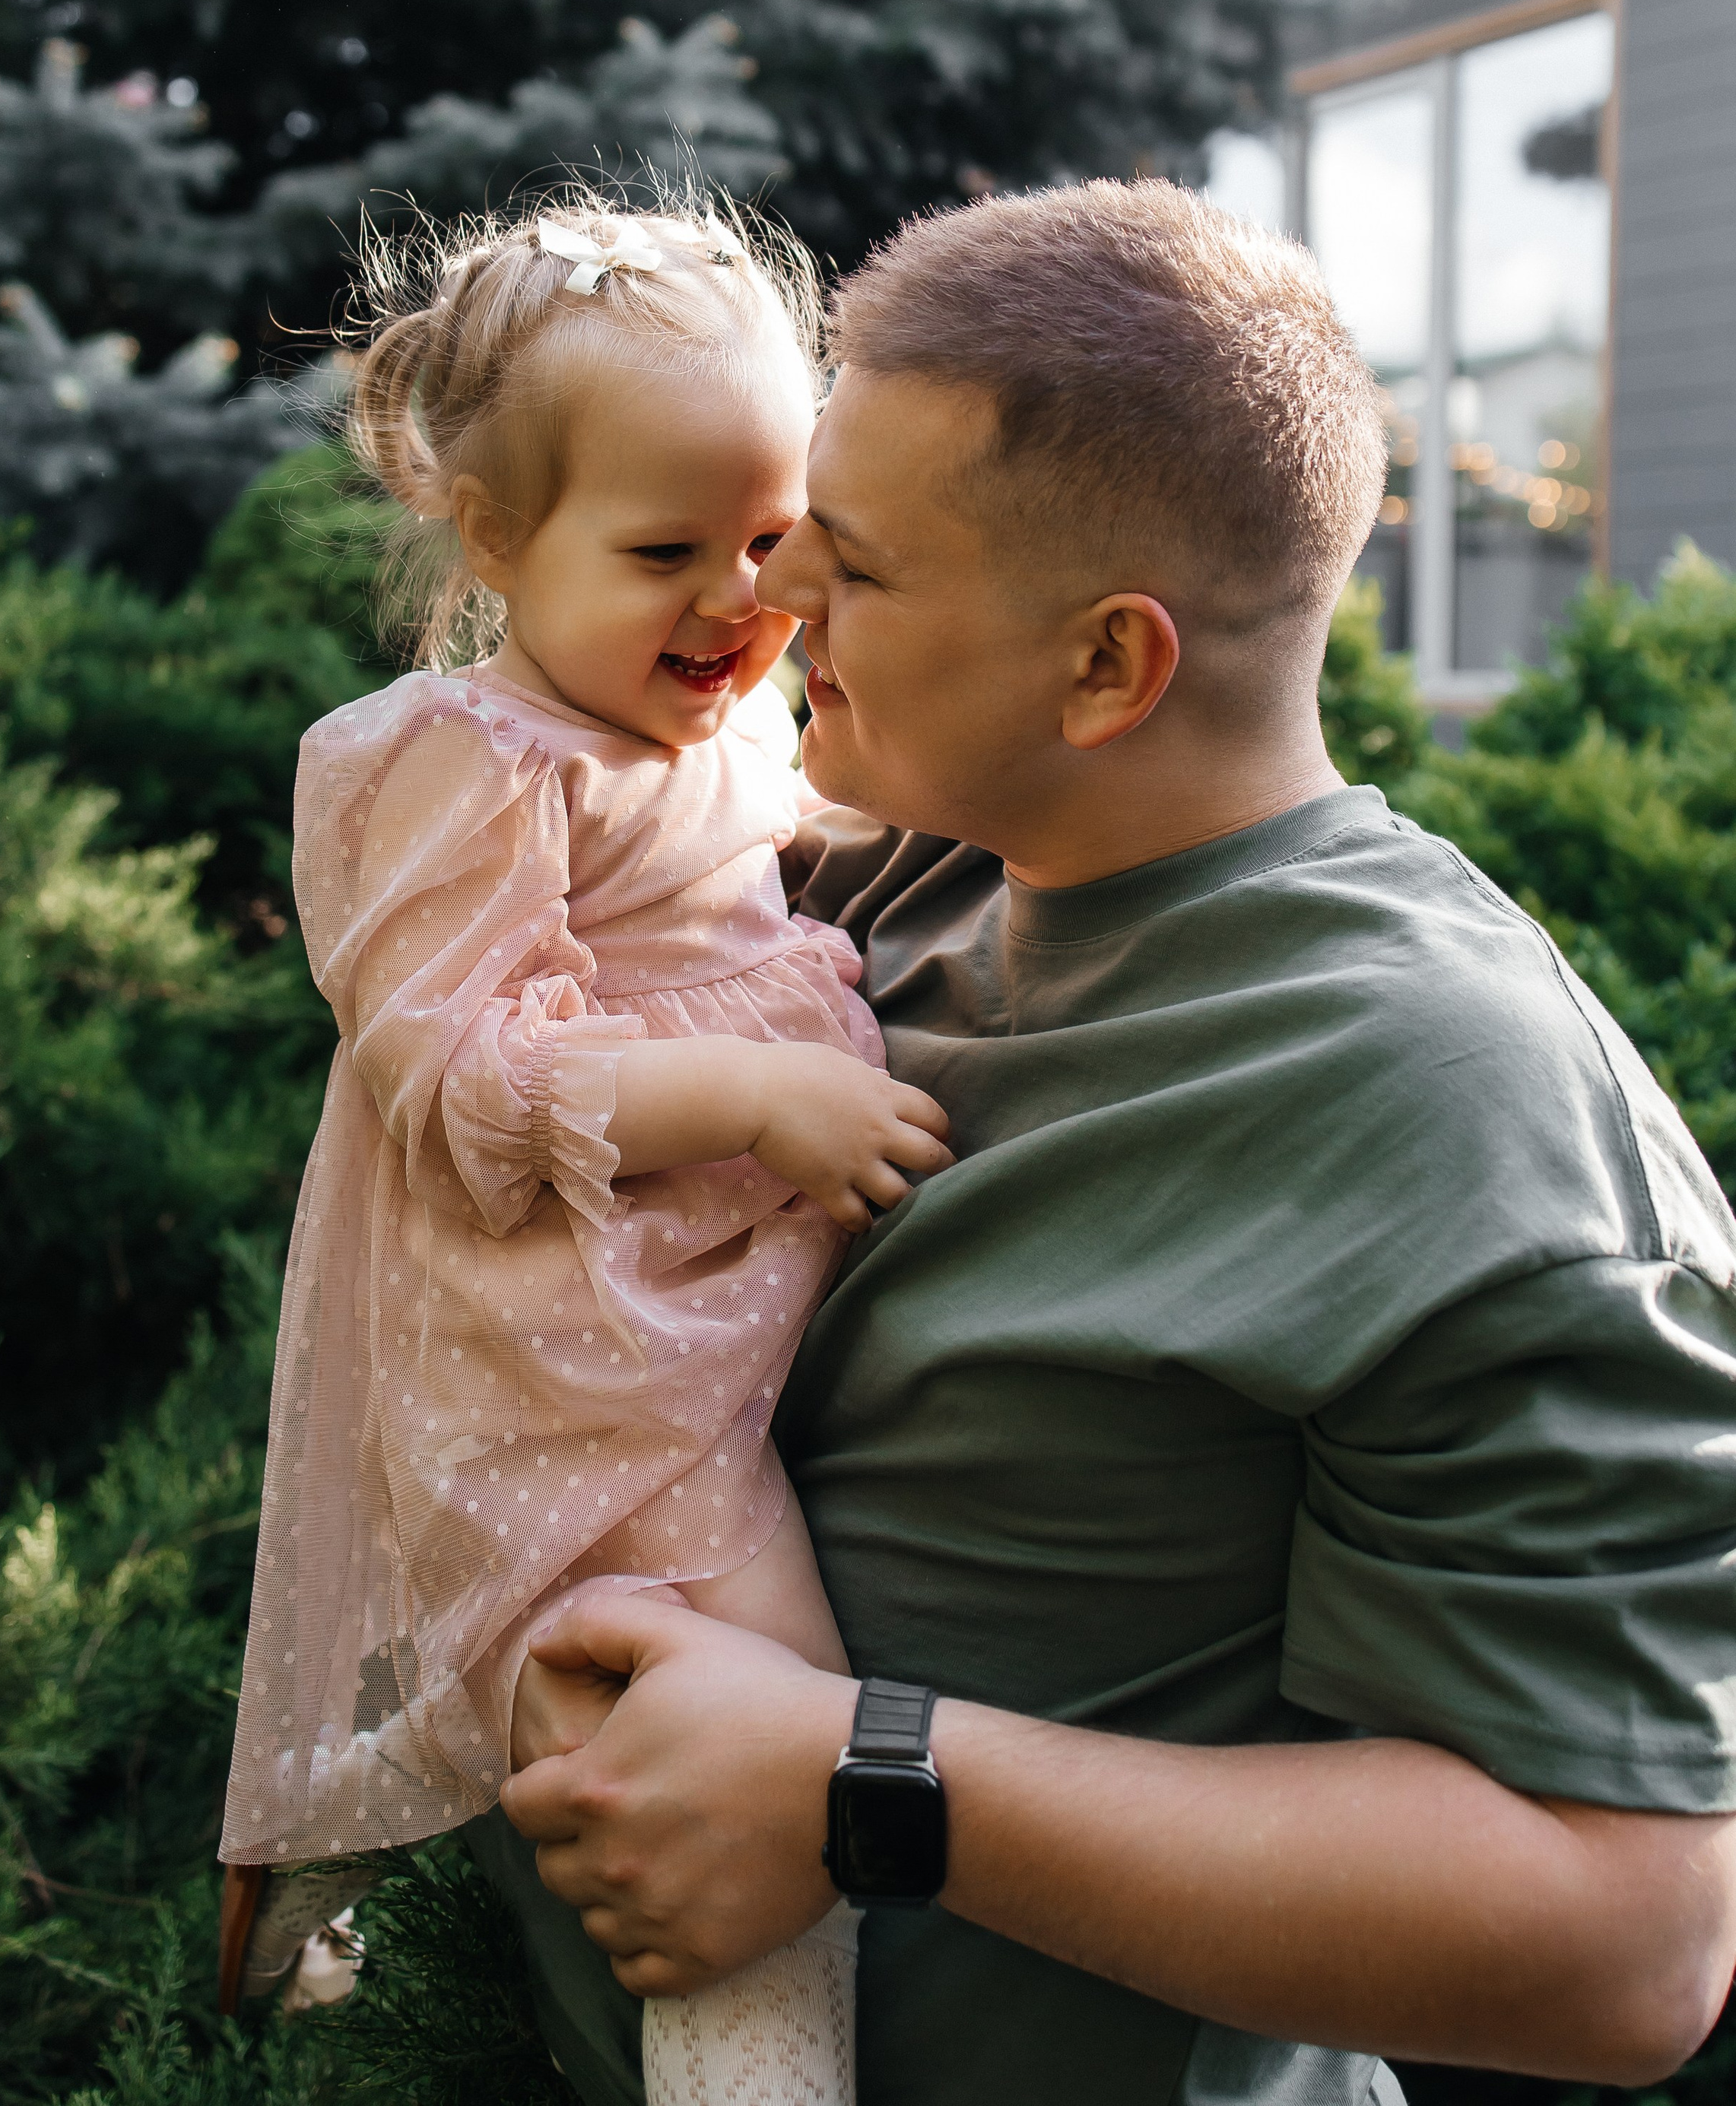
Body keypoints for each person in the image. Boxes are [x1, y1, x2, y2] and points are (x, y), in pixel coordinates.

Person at [490, 181, 1736, 2106]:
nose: (777, 589)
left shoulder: (1467, 1115)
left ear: (1106, 668)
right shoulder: (877, 873)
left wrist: (863, 1782)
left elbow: (1625, 1940)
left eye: (861, 565)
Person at [215, 198, 951, 2105]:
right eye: (660, 551)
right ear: (491, 536)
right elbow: (452, 1073)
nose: (735, 600)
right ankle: (752, 2066)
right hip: (573, 1347)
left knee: (734, 1721)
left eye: (769, 542)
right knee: (770, 1752)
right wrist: (758, 1099)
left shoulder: (704, 717)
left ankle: (507, 1725)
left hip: (684, 1312)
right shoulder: (468, 760)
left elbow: (796, 850)